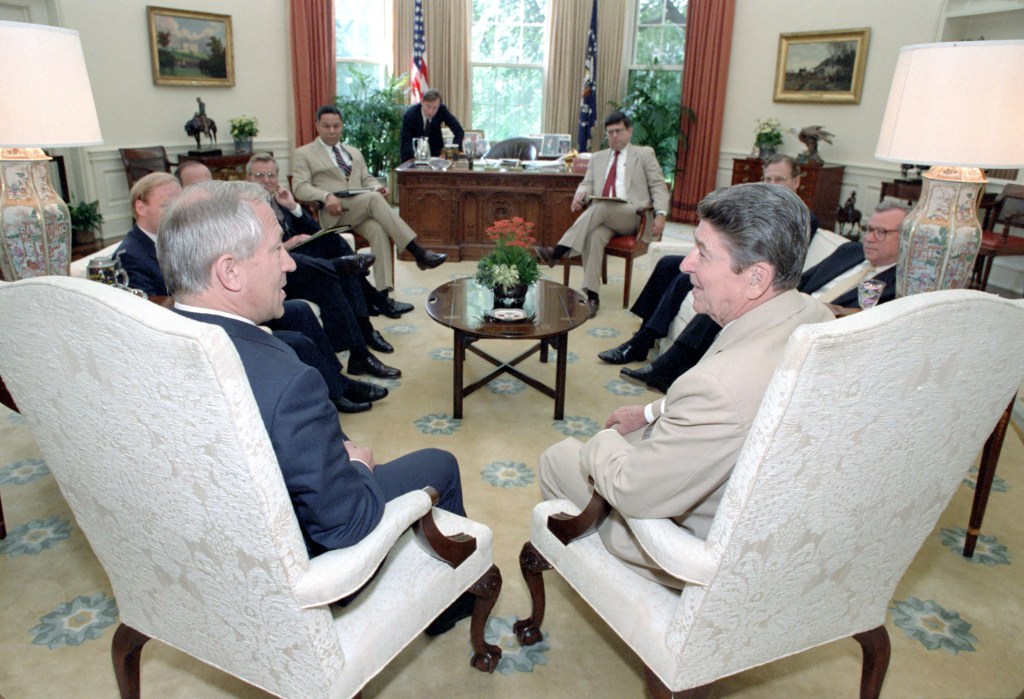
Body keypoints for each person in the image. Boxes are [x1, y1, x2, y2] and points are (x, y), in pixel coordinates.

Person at [156, 180, 474, 633]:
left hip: (203, 548)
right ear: (230, 271)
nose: (290, 262)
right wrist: (358, 466)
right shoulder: (287, 384)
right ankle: (448, 605)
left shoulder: (145, 341)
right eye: (276, 250)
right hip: (292, 554)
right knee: (440, 463)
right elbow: (344, 523)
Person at [538, 183, 834, 587]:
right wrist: (651, 412)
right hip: (774, 519)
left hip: (692, 549)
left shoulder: (717, 388)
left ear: (756, 278)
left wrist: (601, 442)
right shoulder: (814, 315)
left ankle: (613, 586)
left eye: (704, 252)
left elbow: (631, 490)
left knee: (558, 456)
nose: (686, 264)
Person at [115, 173, 387, 413]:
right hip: (206, 324)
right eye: (169, 204)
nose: (180, 210)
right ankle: (336, 392)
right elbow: (150, 308)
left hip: (230, 300)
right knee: (298, 341)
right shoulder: (131, 254)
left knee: (300, 310)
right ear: (140, 207)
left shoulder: (189, 233)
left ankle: (340, 381)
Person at [614, 200, 908, 392]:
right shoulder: (850, 252)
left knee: (730, 296)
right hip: (786, 302)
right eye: (869, 229)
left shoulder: (902, 284)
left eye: (881, 232)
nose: (870, 238)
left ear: (906, 237)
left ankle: (667, 368)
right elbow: (804, 279)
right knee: (720, 292)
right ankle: (664, 363)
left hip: (810, 325)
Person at [600, 154, 818, 367]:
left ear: (796, 181)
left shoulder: (801, 220)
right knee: (668, 264)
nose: (772, 184)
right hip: (732, 261)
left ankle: (645, 345)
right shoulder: (756, 213)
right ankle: (644, 334)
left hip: (751, 273)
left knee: (685, 277)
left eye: (780, 179)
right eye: (768, 178)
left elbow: (782, 264)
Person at [245, 153, 406, 378]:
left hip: (303, 266)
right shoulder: (244, 211)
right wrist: (286, 246)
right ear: (248, 178)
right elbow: (252, 255)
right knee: (340, 271)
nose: (266, 180)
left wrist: (293, 206)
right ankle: (370, 308)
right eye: (259, 175)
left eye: (271, 175)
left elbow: (313, 231)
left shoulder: (279, 200)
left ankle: (360, 353)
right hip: (278, 271)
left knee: (333, 246)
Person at [291, 105, 447, 299]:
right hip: (333, 213)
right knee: (373, 200)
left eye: (336, 126)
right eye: (326, 126)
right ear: (317, 126)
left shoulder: (353, 152)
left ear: (342, 126)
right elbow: (299, 187)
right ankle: (417, 252)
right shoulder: (304, 154)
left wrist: (377, 187)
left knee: (378, 229)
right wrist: (325, 196)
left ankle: (383, 295)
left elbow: (366, 179)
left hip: (360, 210)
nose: (332, 131)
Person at [534, 111, 669, 318]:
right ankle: (592, 296)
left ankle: (559, 250)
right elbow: (587, 183)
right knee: (594, 236)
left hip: (633, 214)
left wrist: (661, 214)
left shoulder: (643, 154)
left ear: (629, 131)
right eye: (610, 132)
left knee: (601, 207)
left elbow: (658, 185)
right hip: (604, 217)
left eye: (619, 131)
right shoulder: (597, 158)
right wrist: (580, 193)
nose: (614, 136)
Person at [399, 89, 464, 162]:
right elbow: (406, 141)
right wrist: (411, 160)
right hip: (415, 157)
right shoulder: (410, 115)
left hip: (437, 157)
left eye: (435, 108)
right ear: (422, 102)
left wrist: (453, 151)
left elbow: (459, 131)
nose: (430, 112)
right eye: (428, 106)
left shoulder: (441, 110)